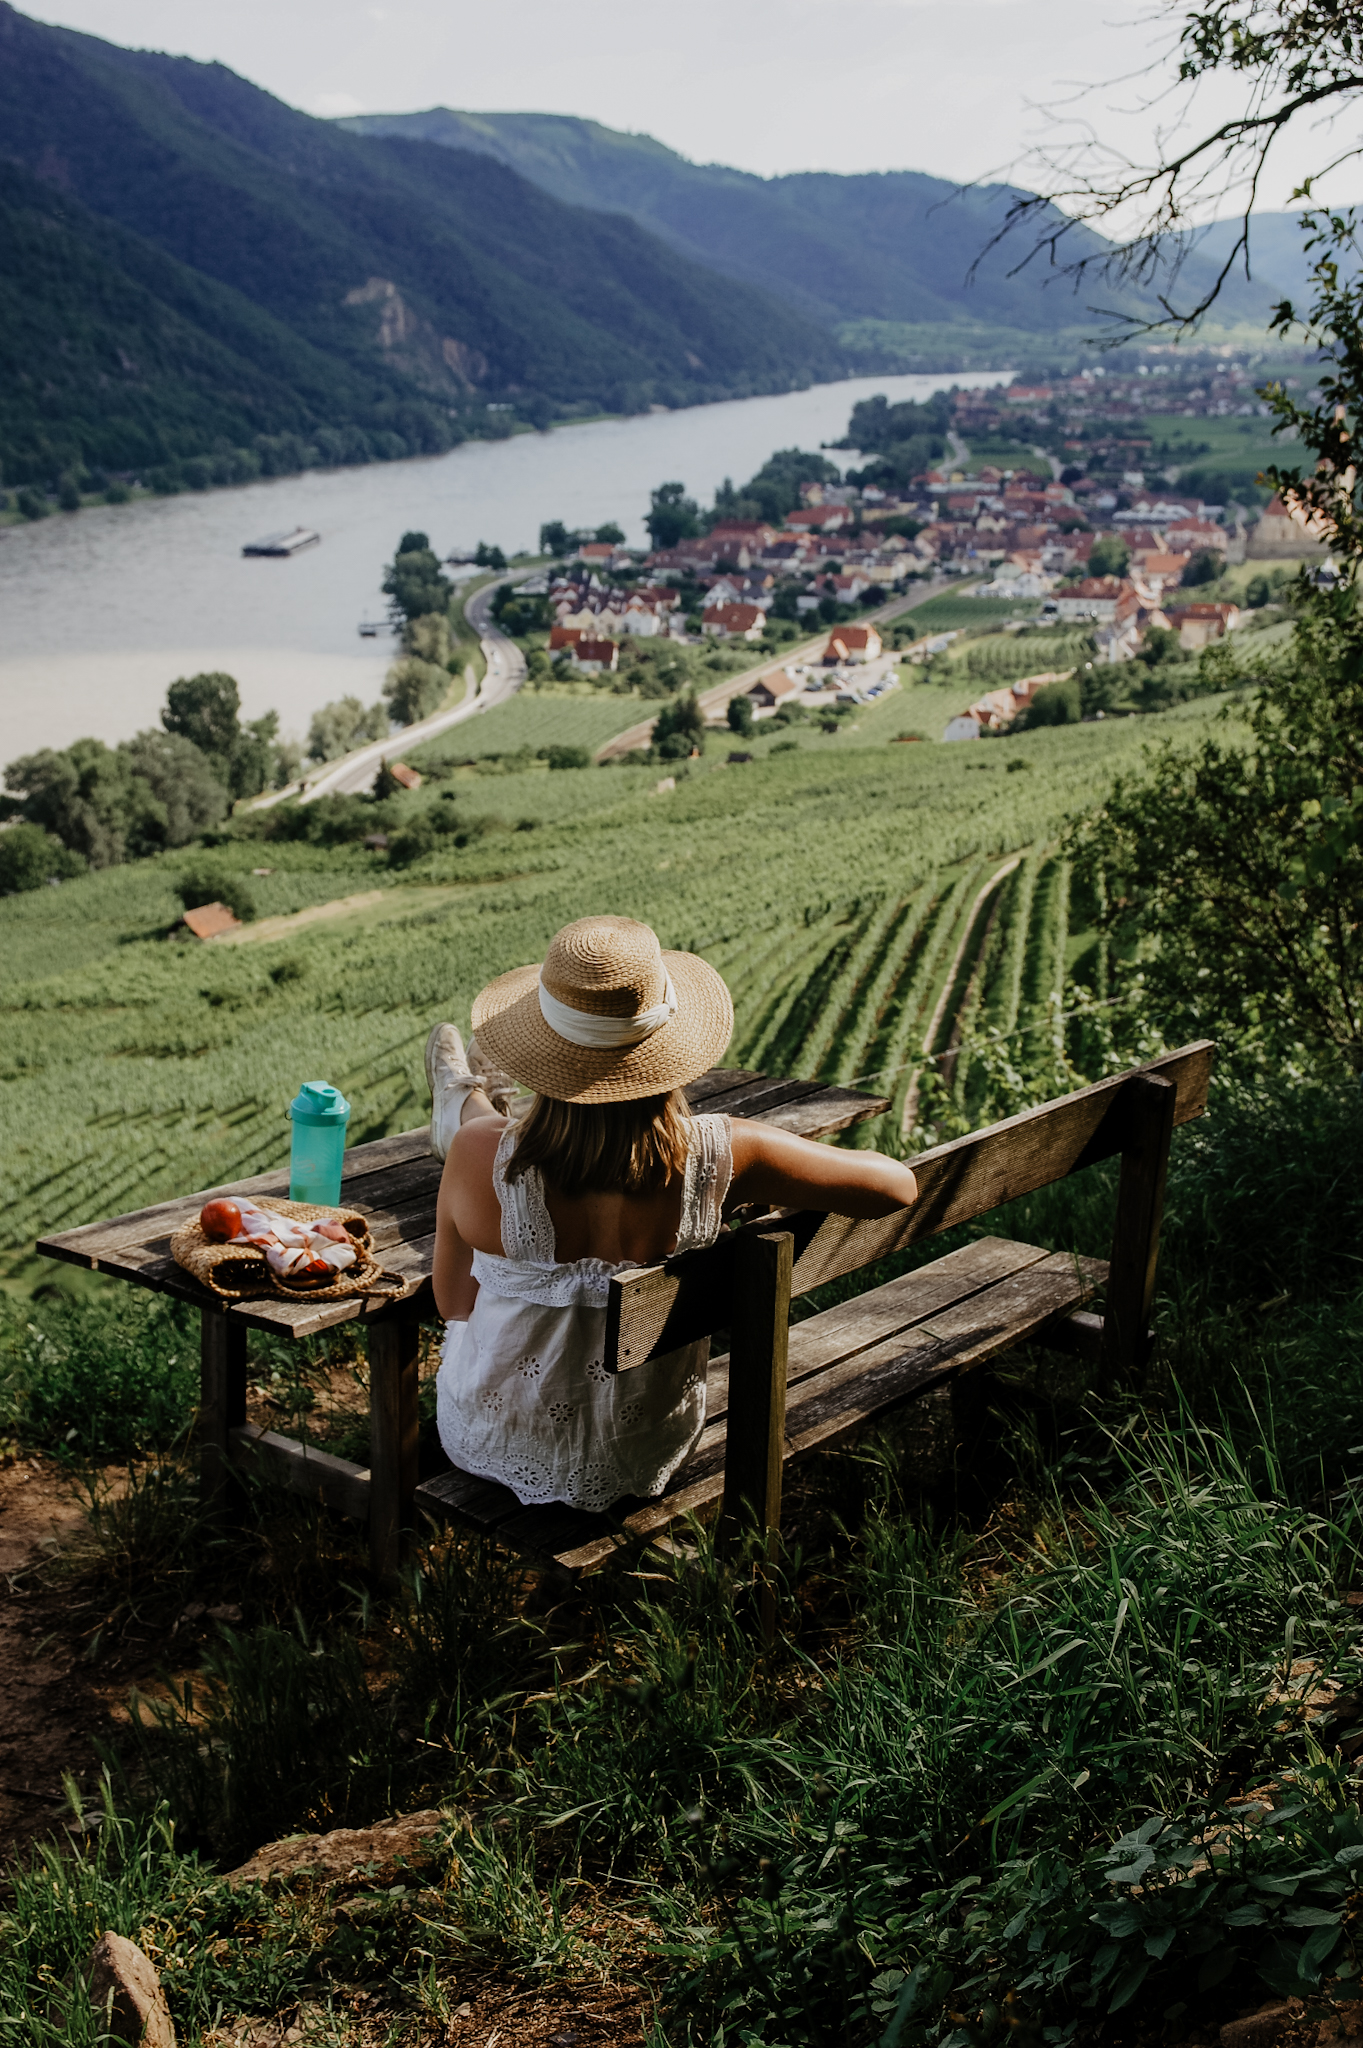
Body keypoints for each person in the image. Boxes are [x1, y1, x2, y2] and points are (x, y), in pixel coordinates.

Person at [428, 914, 917, 1515]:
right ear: (668, 1049)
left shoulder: (477, 1157)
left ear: (547, 1054)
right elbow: (898, 1185)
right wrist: (753, 1186)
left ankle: (463, 1094)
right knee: (485, 1133)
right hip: (645, 1443)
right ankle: (466, 1093)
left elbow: (452, 1302)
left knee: (479, 1130)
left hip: (492, 1439)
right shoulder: (729, 1153)